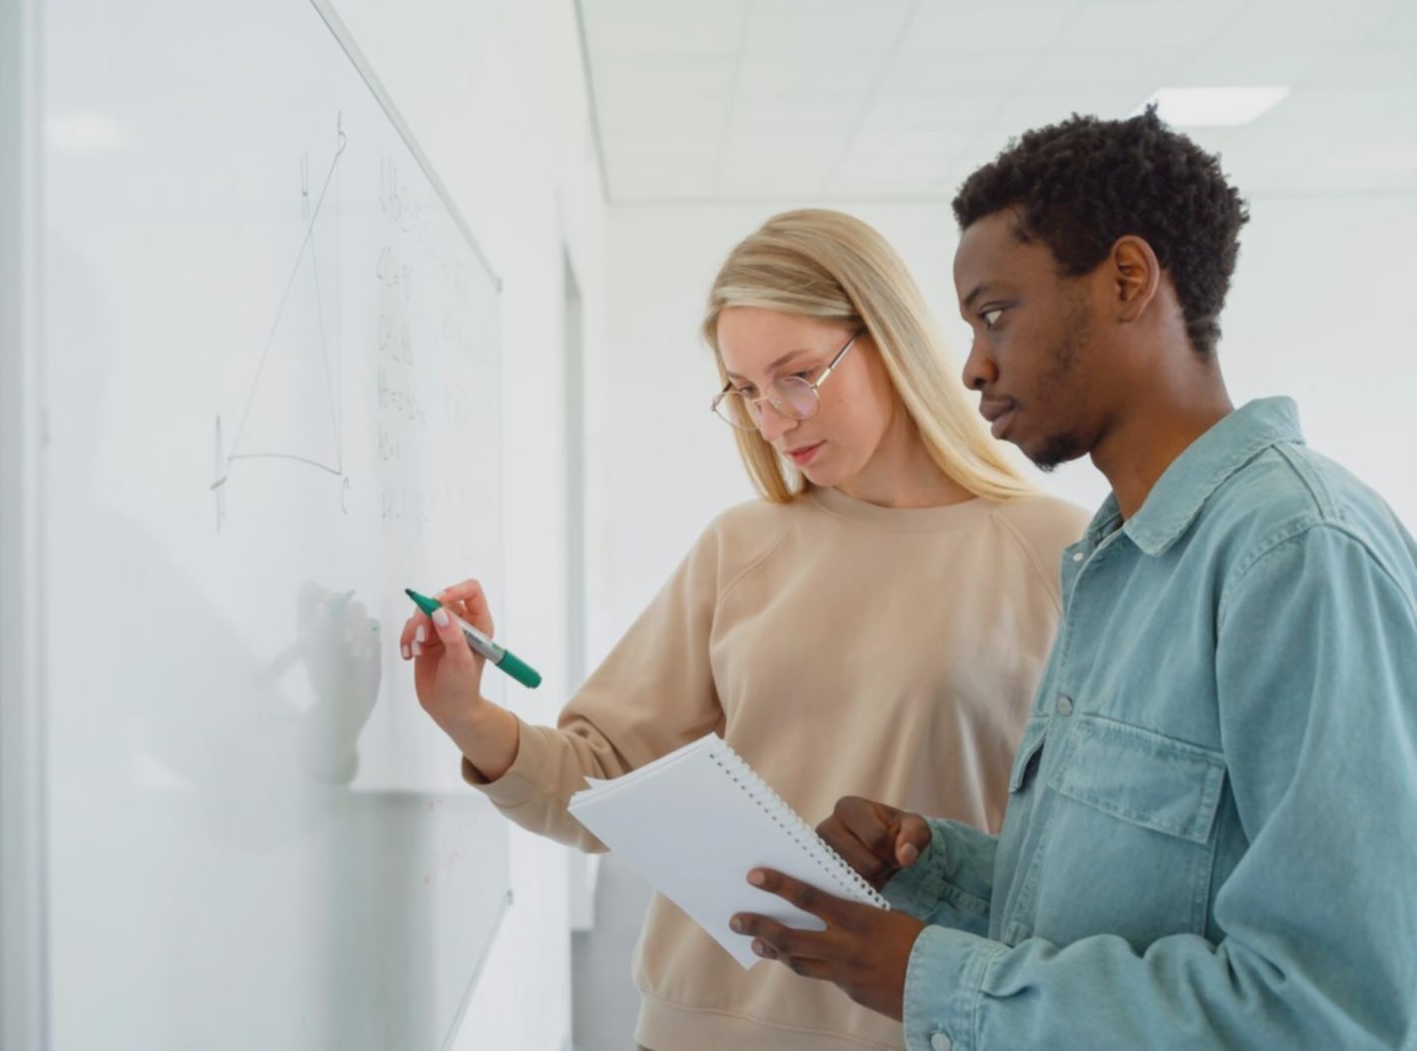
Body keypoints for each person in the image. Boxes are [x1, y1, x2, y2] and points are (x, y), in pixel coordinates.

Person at [731, 109, 1417, 1051]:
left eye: (996, 313)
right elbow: (1145, 899)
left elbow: (1332, 1010)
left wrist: (929, 976)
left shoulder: (1297, 554)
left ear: (1127, 280)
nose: (973, 365)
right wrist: (938, 871)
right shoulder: (1114, 558)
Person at [399, 209, 1087, 1051]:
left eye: (798, 375)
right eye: (747, 391)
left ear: (889, 338)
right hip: (700, 1030)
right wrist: (469, 716)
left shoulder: (1057, 552)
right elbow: (600, 783)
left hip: (927, 1027)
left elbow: (1088, 846)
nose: (775, 419)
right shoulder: (742, 548)